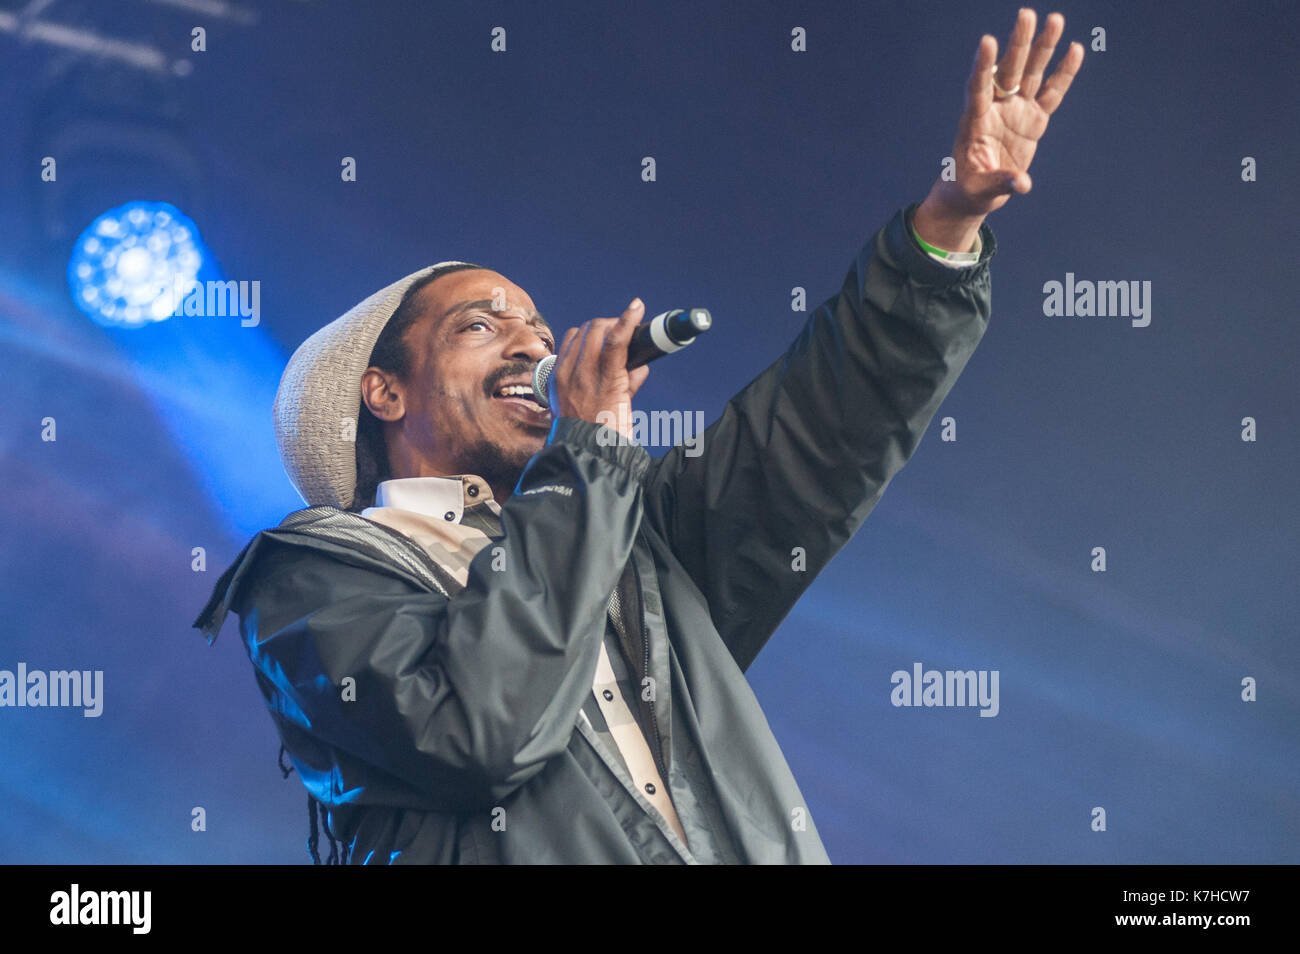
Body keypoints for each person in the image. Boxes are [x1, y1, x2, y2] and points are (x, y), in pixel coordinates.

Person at [194, 9, 1082, 863]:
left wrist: (946, 227)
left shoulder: (628, 530)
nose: (531, 344)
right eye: (480, 326)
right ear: (383, 392)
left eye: (537, 326)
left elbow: (817, 433)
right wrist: (584, 457)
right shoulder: (309, 580)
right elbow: (477, 735)